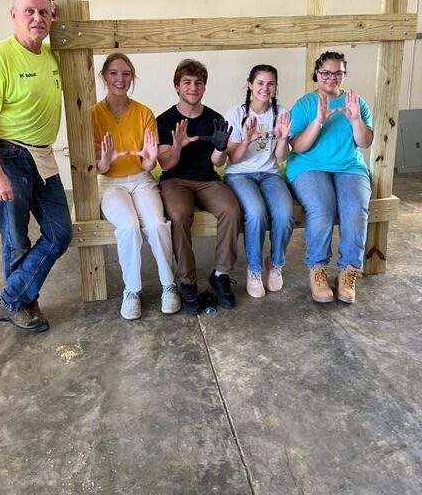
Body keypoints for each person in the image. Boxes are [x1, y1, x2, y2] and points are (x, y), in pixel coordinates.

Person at [0, 0, 72, 332]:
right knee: (16, 238)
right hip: (9, 154)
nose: (37, 18)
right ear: (13, 15)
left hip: (43, 156)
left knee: (60, 233)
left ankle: (9, 299)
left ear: (52, 17)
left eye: (44, 12)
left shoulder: (52, 56)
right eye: (29, 11)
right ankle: (22, 305)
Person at [92, 53, 179, 321]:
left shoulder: (144, 113)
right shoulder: (93, 113)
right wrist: (104, 161)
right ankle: (132, 291)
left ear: (132, 78)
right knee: (129, 227)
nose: (121, 79)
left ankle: (169, 285)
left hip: (140, 180)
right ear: (105, 76)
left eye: (126, 74)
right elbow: (97, 166)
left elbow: (146, 165)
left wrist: (151, 159)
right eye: (114, 73)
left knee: (155, 223)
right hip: (110, 183)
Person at [287, 51, 373, 304]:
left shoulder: (357, 102)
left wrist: (356, 119)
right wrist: (318, 121)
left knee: (356, 209)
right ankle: (318, 269)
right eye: (326, 72)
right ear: (317, 74)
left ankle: (348, 271)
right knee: (322, 208)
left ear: (344, 75)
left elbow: (365, 142)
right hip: (309, 166)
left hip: (349, 166)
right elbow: (297, 147)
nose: (332, 77)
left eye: (338, 73)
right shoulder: (304, 104)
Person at [157, 59, 241, 314]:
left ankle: (221, 274)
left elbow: (219, 162)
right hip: (175, 181)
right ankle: (187, 281)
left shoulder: (215, 119)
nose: (193, 87)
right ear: (177, 87)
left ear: (204, 87)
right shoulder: (164, 120)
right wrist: (178, 145)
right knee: (179, 215)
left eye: (198, 83)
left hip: (206, 180)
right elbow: (165, 164)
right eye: (187, 82)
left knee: (232, 210)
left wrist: (219, 147)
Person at [224, 65, 294, 299]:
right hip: (239, 174)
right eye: (260, 83)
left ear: (275, 87)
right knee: (255, 212)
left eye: (270, 83)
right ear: (250, 85)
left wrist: (283, 137)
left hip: (270, 173)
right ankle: (254, 271)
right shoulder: (236, 113)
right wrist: (246, 140)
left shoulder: (281, 113)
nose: (265, 88)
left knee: (284, 214)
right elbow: (232, 158)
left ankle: (275, 264)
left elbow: (281, 156)